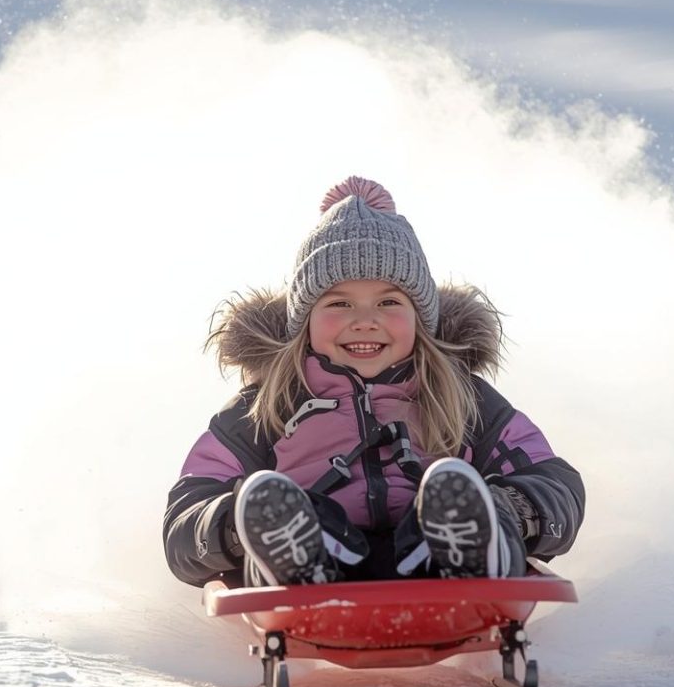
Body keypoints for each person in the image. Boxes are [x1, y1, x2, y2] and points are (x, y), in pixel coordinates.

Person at [163, 176, 583, 587]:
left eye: (388, 301)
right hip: (316, 572)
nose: (365, 321)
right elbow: (186, 515)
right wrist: (241, 523)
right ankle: (292, 550)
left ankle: (471, 545)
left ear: (420, 318)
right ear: (304, 320)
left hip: (435, 568)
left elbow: (554, 482)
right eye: (340, 303)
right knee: (294, 513)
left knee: (452, 503)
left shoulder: (462, 397)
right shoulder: (266, 405)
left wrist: (504, 508)